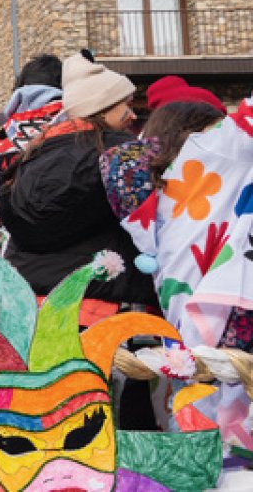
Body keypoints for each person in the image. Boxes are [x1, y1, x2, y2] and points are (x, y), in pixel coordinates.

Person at [119, 91, 252, 446]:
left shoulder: (149, 185)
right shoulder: (210, 157)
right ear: (193, 135)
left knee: (194, 415)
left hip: (180, 325)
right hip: (222, 315)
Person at [0, 51, 154, 315]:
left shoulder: (33, 154)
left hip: (33, 300)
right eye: (125, 104)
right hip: (103, 299)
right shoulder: (120, 154)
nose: (132, 115)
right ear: (103, 106)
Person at [0, 54, 63, 253]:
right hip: (80, 254)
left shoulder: (3, 142)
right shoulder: (84, 128)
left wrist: (7, 241)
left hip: (23, 256)